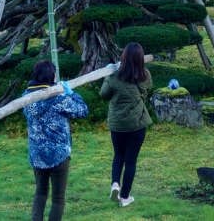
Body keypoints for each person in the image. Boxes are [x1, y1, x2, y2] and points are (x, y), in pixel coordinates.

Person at [23, 60, 88, 221]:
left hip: (37, 154)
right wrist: (71, 93)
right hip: (59, 155)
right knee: (58, 199)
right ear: (51, 76)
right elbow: (82, 110)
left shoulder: (26, 98)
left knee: (40, 192)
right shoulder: (59, 98)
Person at [100, 42, 152, 208]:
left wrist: (108, 75)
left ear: (123, 58)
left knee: (118, 156)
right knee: (131, 161)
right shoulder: (146, 75)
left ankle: (115, 183)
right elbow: (147, 90)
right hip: (137, 125)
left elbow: (103, 94)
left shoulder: (114, 77)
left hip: (118, 125)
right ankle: (124, 197)